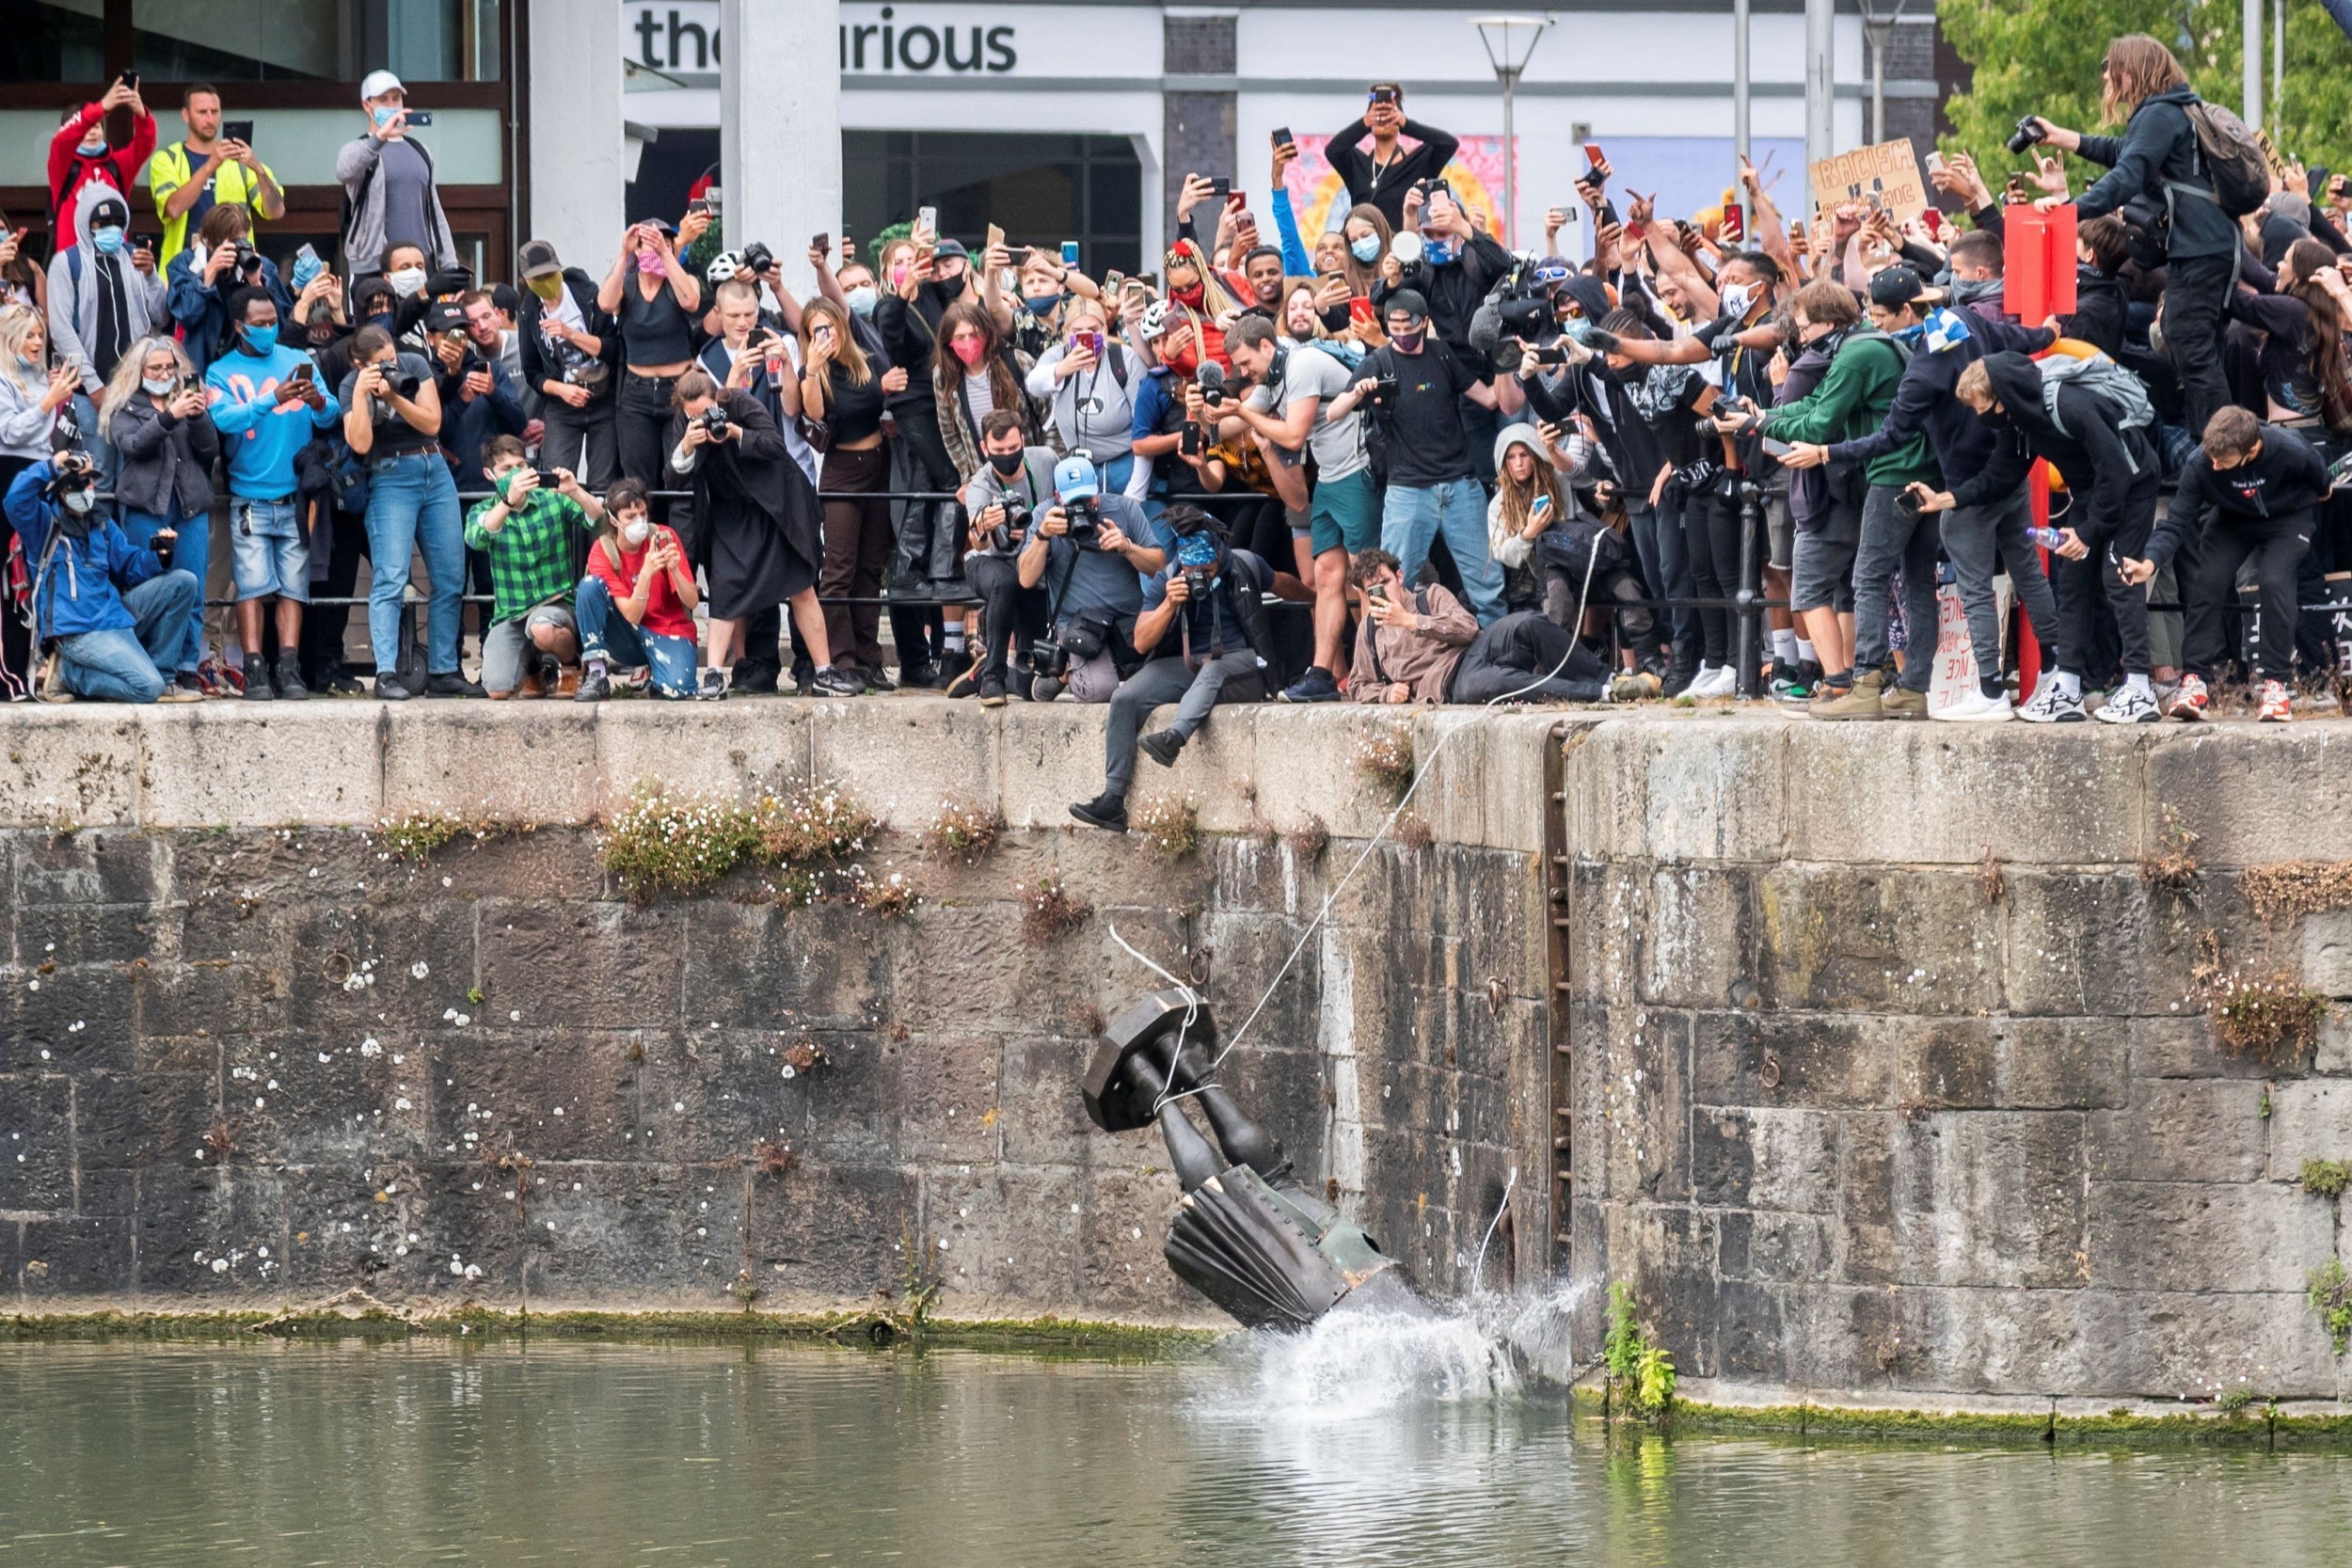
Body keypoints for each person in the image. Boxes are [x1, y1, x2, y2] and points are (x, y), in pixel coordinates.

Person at [1780, 266, 2061, 723]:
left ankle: (1976, 690)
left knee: (1903, 580)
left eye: (1881, 314)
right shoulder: (1964, 318)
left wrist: (1826, 452)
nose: (1874, 322)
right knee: (2019, 572)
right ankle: (2051, 674)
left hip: (1962, 487)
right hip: (2008, 470)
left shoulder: (1924, 365)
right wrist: (2046, 331)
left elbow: (1889, 436)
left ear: (1907, 309)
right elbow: (2017, 338)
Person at [1911, 352, 2162, 725]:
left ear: (2003, 397)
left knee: (2118, 576)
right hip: (2091, 490)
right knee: (2074, 583)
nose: (1981, 417)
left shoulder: (2067, 404)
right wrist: (1943, 499)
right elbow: (1998, 478)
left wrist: (2089, 531)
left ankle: (2141, 688)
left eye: (1983, 407)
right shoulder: (2020, 421)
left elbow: (2117, 470)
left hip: (2133, 482)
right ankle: (2068, 686)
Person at [2026, 35, 2240, 439]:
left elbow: (2127, 175)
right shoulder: (2173, 110)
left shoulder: (2159, 113)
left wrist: (2071, 210)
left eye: (2110, 66)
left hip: (2199, 250)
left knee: (2193, 356)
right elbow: (2124, 151)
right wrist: (2063, 138)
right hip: (2209, 246)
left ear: (2131, 70)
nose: (2106, 74)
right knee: (2196, 354)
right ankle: (2218, 458)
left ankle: (2224, 460)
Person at [1740, 279, 1935, 719]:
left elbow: (1820, 422)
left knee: (1867, 578)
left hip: (1891, 474)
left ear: (1830, 322)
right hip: (1921, 472)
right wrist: (1763, 417)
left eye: (1805, 328)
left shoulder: (1857, 353)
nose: (1801, 337)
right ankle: (1914, 688)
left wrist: (1764, 424)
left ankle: (1863, 687)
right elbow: (1817, 407)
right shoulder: (1870, 344)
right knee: (1918, 582)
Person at [2120, 408, 2331, 723]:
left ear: (2252, 450)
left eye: (2223, 461)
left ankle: (2275, 685)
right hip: (2232, 521)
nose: (2215, 465)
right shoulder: (2201, 462)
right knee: (2208, 581)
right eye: (2212, 458)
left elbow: (2322, 482)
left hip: (2288, 519)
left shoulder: (2290, 449)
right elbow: (2176, 521)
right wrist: (2149, 562)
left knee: (2275, 580)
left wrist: (2315, 495)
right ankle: (2195, 681)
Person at [1070, 504, 1268, 831]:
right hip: (1192, 663)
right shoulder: (1168, 576)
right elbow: (1141, 642)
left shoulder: (1243, 564)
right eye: (1192, 565)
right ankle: (1113, 800)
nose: (1199, 571)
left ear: (1219, 550)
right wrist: (1170, 604)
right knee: (1124, 698)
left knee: (1213, 671)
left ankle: (1173, 739)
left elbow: (1288, 585)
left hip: (1242, 663)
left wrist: (1313, 595)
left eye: (1206, 563)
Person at [667, 367, 856, 698]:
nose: (700, 419)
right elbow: (673, 478)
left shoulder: (742, 403)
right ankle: (713, 675)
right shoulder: (684, 424)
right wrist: (686, 446)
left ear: (717, 398)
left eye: (705, 412)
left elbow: (774, 445)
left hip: (776, 507)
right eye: (692, 415)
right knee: (724, 591)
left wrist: (736, 433)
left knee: (802, 587)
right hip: (730, 514)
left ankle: (825, 671)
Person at [1327, 290, 1505, 624]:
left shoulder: (1441, 354)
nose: (1402, 335)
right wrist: (1358, 392)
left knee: (1488, 586)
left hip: (1461, 487)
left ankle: (1499, 659)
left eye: (1409, 327)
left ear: (1425, 322)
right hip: (1408, 490)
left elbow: (1490, 399)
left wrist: (1507, 359)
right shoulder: (1378, 361)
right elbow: (1333, 413)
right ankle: (1386, 665)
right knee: (1390, 584)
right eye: (1393, 327)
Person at [1226, 314, 1370, 701]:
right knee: (1324, 577)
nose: (1244, 373)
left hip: (1358, 472)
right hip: (1329, 478)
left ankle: (1377, 669)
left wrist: (1240, 413)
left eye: (1245, 363)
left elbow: (1293, 432)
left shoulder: (1302, 364)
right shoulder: (1272, 375)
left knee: (1364, 576)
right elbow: (1232, 426)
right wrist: (1208, 413)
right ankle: (1323, 674)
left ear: (1267, 347)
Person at [208, 287, 341, 701]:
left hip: (297, 496)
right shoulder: (220, 371)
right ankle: (255, 669)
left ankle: (289, 667)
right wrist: (271, 399)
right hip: (249, 497)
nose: (269, 329)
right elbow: (225, 418)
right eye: (260, 324)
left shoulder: (300, 360)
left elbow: (332, 412)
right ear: (239, 326)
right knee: (251, 587)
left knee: (293, 588)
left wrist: (317, 399)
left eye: (273, 322)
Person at [341, 324, 481, 699]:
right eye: (382, 364)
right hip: (389, 474)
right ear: (361, 363)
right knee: (390, 576)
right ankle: (386, 673)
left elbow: (432, 423)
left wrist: (396, 397)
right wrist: (362, 394)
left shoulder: (415, 364)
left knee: (450, 575)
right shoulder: (350, 385)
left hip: (433, 469)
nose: (392, 366)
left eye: (392, 358)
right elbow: (359, 444)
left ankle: (443, 670)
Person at [5, 443, 201, 705]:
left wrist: (160, 556)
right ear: (60, 488)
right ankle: (69, 674)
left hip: (113, 618)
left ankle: (165, 678)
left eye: (91, 483)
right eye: (80, 483)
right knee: (146, 687)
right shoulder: (42, 524)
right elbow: (15, 499)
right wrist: (53, 464)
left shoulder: (101, 523)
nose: (88, 490)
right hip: (76, 633)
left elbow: (131, 565)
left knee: (184, 582)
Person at [802, 295, 912, 690]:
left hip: (878, 465)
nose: (825, 336)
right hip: (841, 471)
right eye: (816, 330)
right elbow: (814, 414)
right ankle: (841, 660)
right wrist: (812, 370)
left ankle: (870, 659)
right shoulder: (813, 370)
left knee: (870, 568)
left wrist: (888, 388)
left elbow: (888, 399)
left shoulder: (866, 359)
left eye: (829, 327)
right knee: (839, 570)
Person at [103, 336, 218, 698]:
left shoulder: (186, 400)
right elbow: (134, 446)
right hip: (147, 509)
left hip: (189, 507)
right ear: (139, 372)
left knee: (193, 587)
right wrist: (171, 416)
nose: (165, 373)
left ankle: (185, 666)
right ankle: (149, 666)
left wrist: (197, 417)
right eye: (156, 368)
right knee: (150, 587)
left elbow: (210, 451)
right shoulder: (126, 408)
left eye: (170, 367)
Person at [1346, 547, 1606, 705]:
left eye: (1386, 582)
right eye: (1374, 589)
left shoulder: (1429, 596)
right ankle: (1597, 693)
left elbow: (1468, 628)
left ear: (1399, 577)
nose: (1384, 592)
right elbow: (1357, 685)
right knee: (1491, 685)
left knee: (1528, 622)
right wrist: (1386, 693)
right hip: (1446, 682)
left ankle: (1608, 678)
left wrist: (1412, 621)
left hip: (1474, 648)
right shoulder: (1370, 631)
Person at [1017, 452, 1171, 706]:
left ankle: (1087, 669)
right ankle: (1064, 674)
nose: (1084, 507)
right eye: (1074, 501)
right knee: (1099, 692)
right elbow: (1026, 579)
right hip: (1080, 623)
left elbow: (1158, 565)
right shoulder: (1045, 515)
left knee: (1156, 686)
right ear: (1058, 497)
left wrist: (1128, 547)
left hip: (1127, 618)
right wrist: (1042, 537)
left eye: (1088, 499)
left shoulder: (1123, 508)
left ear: (1098, 491)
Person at [465, 436, 603, 699]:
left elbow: (598, 520)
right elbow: (477, 538)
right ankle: (533, 668)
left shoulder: (551, 499)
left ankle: (571, 663)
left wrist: (574, 490)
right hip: (512, 614)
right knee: (497, 689)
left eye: (521, 466)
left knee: (542, 627)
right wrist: (507, 502)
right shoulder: (484, 510)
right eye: (507, 469)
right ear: (489, 475)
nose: (517, 474)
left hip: (557, 605)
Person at [0, 307, 79, 696]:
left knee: (35, 573)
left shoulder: (37, 379)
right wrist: (48, 401)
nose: (37, 343)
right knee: (9, 576)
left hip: (41, 476)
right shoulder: (2, 380)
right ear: (10, 336)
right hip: (9, 476)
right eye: (29, 335)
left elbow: (46, 436)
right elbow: (11, 432)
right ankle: (8, 675)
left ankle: (31, 670)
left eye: (40, 336)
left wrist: (54, 399)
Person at [597, 217, 706, 496]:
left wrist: (667, 254)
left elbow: (690, 301)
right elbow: (606, 303)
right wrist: (624, 253)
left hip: (678, 388)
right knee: (639, 479)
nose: (655, 250)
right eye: (648, 245)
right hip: (637, 392)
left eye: (663, 242)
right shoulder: (628, 285)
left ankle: (682, 538)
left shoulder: (681, 280)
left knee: (680, 472)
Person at [961, 411, 1057, 705]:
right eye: (999, 451)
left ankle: (987, 671)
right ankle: (993, 677)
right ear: (984, 448)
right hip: (988, 561)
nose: (1007, 456)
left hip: (1031, 564)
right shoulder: (980, 484)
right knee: (1005, 582)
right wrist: (986, 525)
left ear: (1023, 442)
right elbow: (975, 540)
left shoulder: (1045, 459)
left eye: (1013, 449)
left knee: (1031, 688)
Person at [576, 479, 699, 701]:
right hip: (628, 632)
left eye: (643, 514)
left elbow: (692, 602)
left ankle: (655, 674)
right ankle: (597, 672)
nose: (639, 522)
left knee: (677, 688)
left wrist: (675, 571)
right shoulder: (603, 550)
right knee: (588, 586)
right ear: (613, 520)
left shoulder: (664, 536)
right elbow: (632, 614)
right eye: (630, 517)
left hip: (668, 629)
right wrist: (646, 573)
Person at [48, 186, 167, 410]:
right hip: (89, 394)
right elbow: (61, 330)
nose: (111, 228)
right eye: (102, 223)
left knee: (138, 446)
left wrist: (151, 276)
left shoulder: (136, 258)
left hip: (140, 390)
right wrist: (93, 386)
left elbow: (161, 317)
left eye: (117, 222)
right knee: (93, 447)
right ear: (87, 223)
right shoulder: (67, 263)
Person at [337, 71, 459, 282]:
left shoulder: (420, 150)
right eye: (383, 100)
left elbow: (434, 210)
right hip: (376, 267)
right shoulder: (360, 149)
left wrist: (449, 265)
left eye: (396, 99)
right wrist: (380, 137)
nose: (391, 105)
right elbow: (344, 170)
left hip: (421, 265)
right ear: (367, 106)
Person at [516, 238, 619, 489]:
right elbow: (532, 372)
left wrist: (570, 333)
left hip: (604, 397)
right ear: (526, 281)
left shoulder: (588, 294)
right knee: (555, 481)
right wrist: (561, 389)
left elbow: (613, 348)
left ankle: (602, 529)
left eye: (550, 275)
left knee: (603, 484)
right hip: (562, 405)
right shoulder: (528, 310)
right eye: (537, 279)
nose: (545, 283)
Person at [148, 84, 285, 268]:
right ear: (186, 115)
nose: (210, 119)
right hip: (185, 271)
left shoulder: (239, 161)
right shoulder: (167, 159)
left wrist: (258, 169)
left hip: (235, 269)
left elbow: (276, 211)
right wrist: (211, 165)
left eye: (215, 111)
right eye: (202, 112)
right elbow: (173, 209)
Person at [165, 202, 294, 379]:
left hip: (248, 369)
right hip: (198, 366)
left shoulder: (262, 267)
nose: (235, 250)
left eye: (241, 241)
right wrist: (208, 275)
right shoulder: (185, 265)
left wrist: (257, 283)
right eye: (229, 244)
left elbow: (282, 324)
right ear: (209, 241)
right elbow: (186, 314)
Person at [1327, 85, 1460, 230]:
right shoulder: (1356, 163)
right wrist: (1364, 123)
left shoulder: (1420, 160)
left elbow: (1448, 144)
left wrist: (1406, 124)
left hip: (1408, 246)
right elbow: (1333, 150)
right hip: (1367, 246)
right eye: (1378, 113)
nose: (1384, 118)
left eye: (1390, 113)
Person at [50, 77, 155, 233]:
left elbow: (145, 144)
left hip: (114, 254)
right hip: (74, 256)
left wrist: (141, 114)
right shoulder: (63, 165)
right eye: (86, 129)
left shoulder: (116, 164)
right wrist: (102, 107)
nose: (92, 132)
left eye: (97, 126)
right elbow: (61, 141)